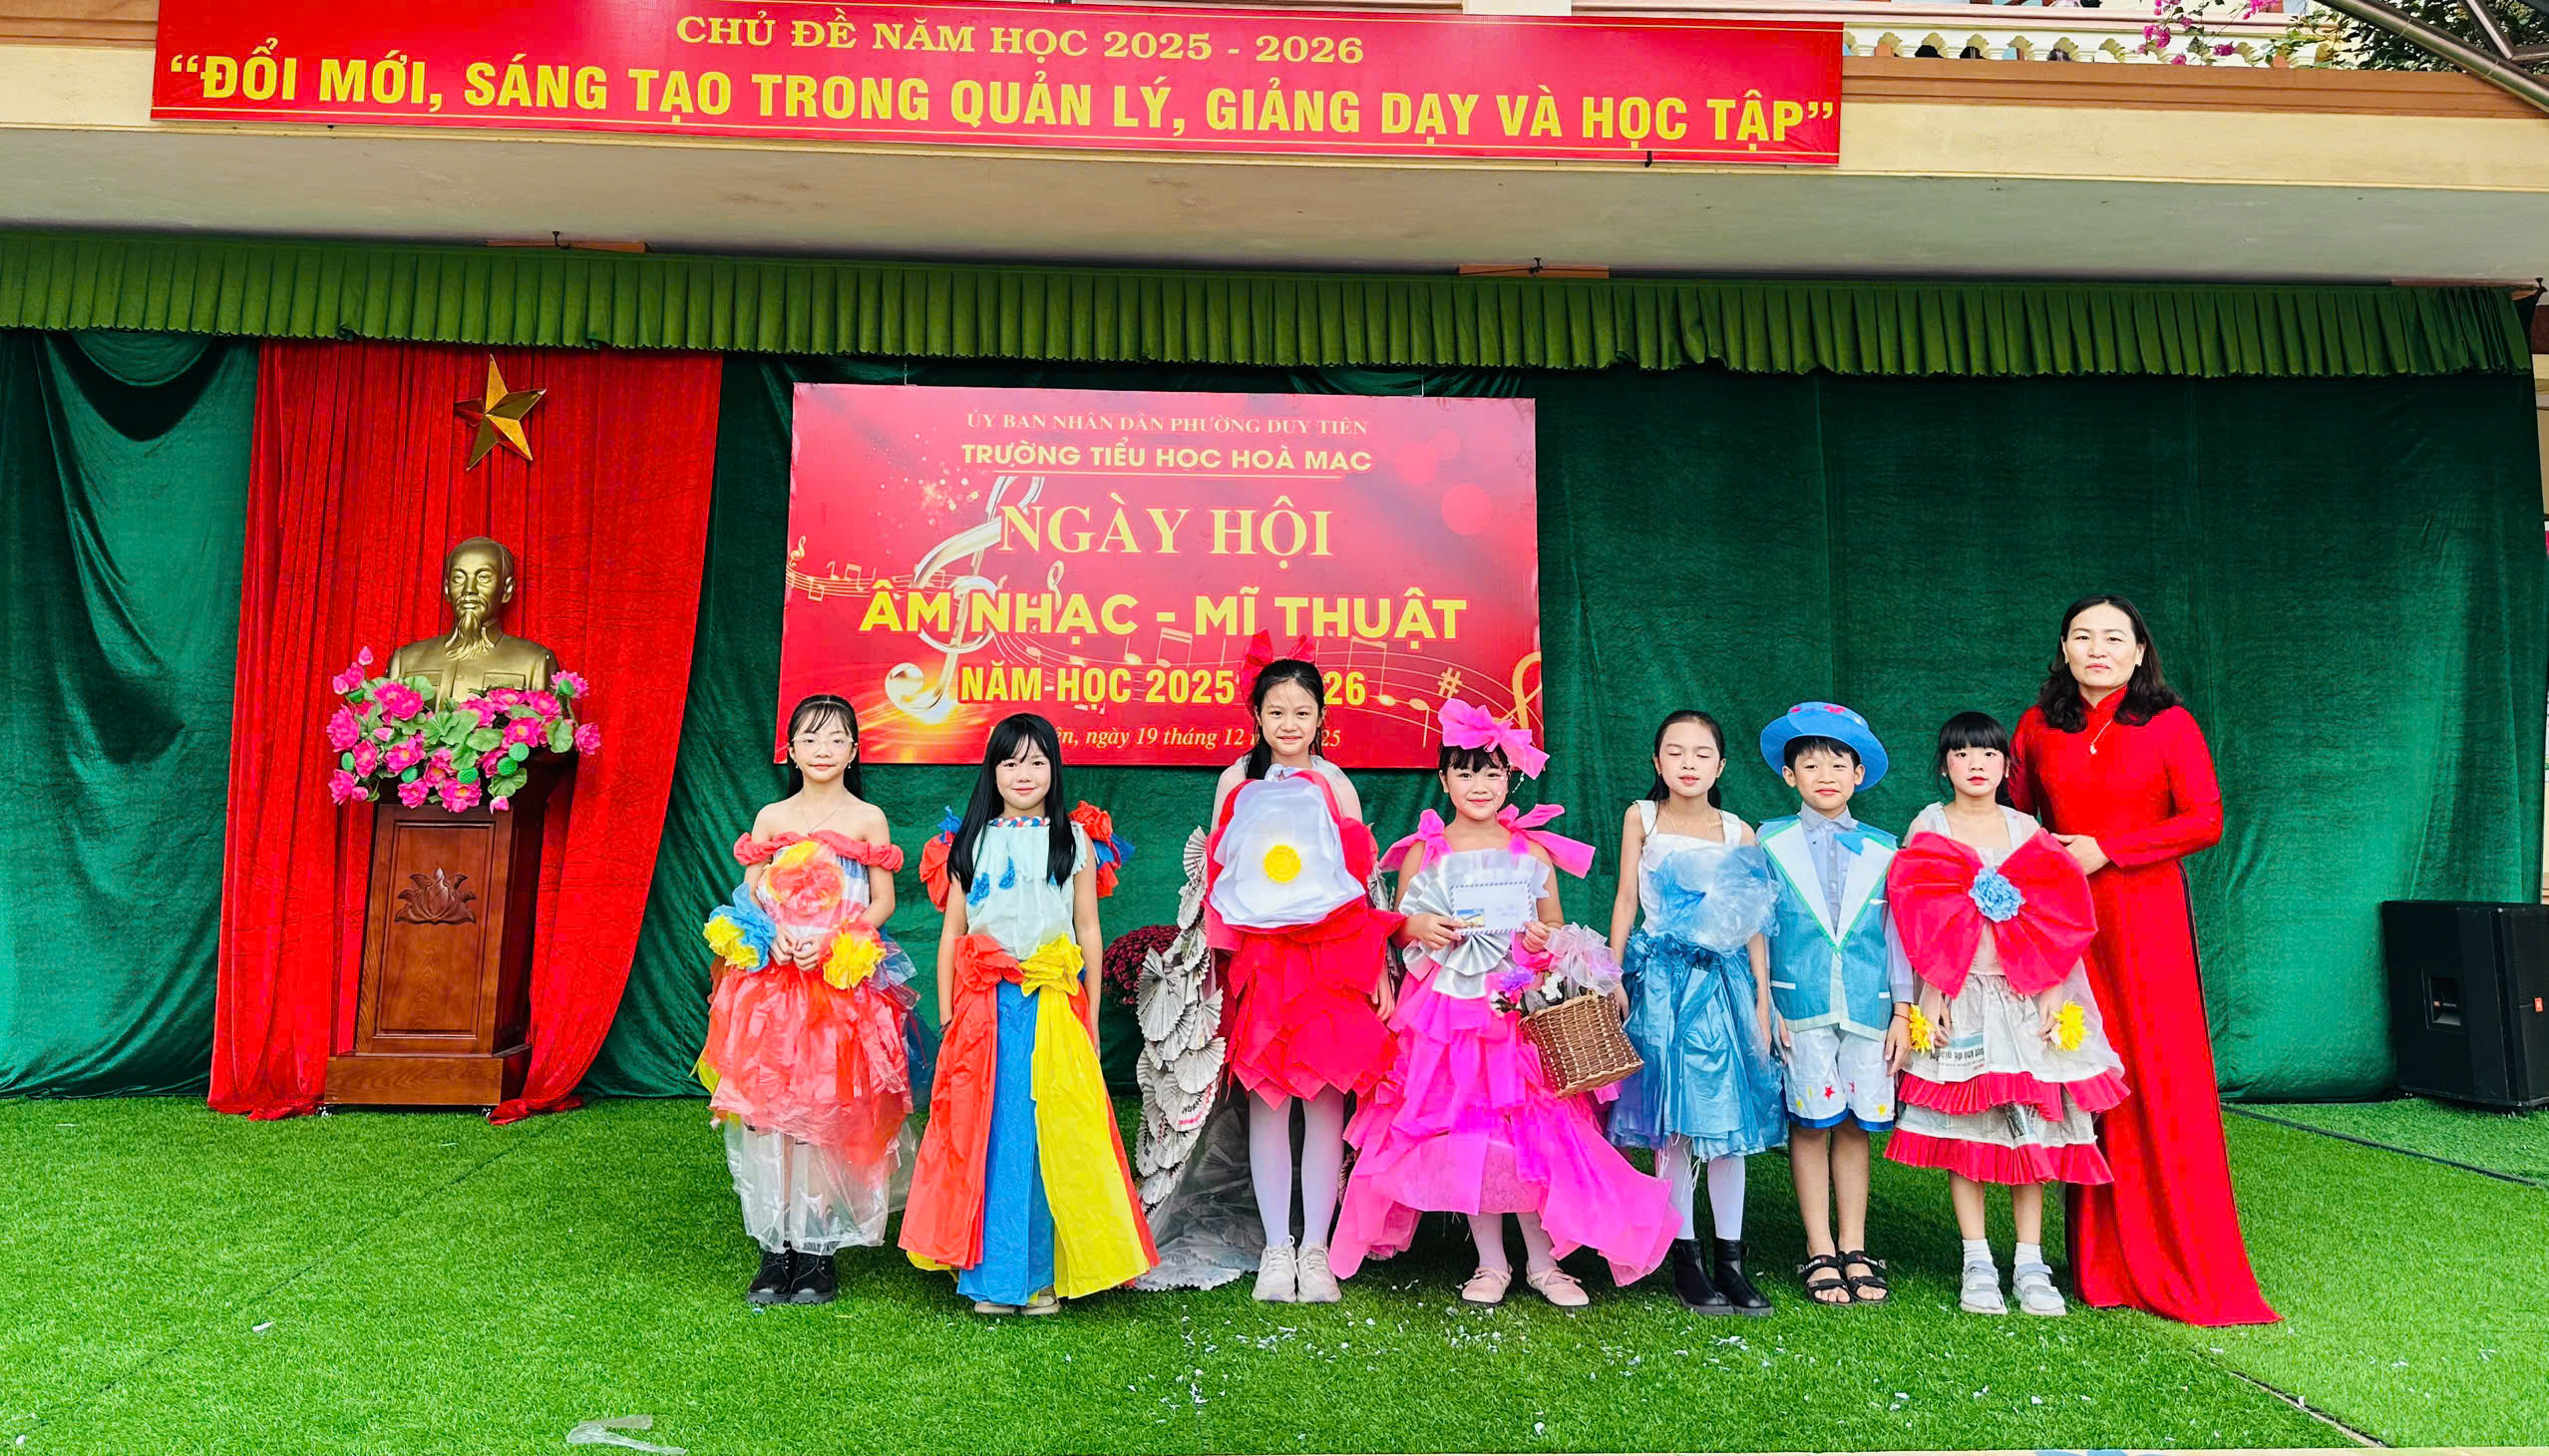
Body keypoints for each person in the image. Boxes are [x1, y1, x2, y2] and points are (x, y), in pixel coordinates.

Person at [1329, 702, 1677, 1307]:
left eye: (1491, 773)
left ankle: (1544, 1262)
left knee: (1533, 1131)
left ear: (1509, 780)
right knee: (1469, 1131)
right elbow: (1400, 929)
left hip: (1515, 1011)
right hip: (1446, 1016)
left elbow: (1554, 926)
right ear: (1444, 780)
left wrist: (1544, 939)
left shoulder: (1530, 852)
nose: (1479, 785)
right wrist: (1418, 926)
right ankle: (1490, 1261)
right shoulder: (1425, 852)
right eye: (1465, 773)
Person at [2010, 595, 2278, 1326]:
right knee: (2086, 1077)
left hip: (2147, 919)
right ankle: (2100, 1266)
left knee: (2160, 1075)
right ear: (2064, 648)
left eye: (2114, 637)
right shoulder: (2037, 727)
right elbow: (2015, 819)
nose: (2098, 649)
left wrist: (2110, 849)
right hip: (2066, 922)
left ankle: (2181, 1257)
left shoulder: (2169, 723)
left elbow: (2205, 819)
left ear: (2138, 653)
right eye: (2083, 636)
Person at [1205, 635, 1445, 1303]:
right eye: (1276, 712)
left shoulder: (1336, 783)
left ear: (1320, 718)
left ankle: (1315, 1248)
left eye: (1302, 713)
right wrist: (1216, 970)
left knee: (1324, 1101)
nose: (1289, 724)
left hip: (1331, 966)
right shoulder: (1235, 781)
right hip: (1262, 964)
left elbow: (1360, 883)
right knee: (1268, 1104)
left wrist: (1378, 970)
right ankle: (1275, 1250)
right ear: (1257, 716)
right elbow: (1219, 880)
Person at [902, 713, 1155, 1313]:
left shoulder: (1076, 841)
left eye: (1037, 761)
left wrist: (1091, 1014)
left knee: (1050, 1133)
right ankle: (990, 1279)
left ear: (1053, 769)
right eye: (1011, 761)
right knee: (985, 1133)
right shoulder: (968, 842)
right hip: (983, 1008)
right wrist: (949, 1011)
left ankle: (1040, 1274)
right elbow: (952, 934)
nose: (1024, 773)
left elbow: (1088, 931)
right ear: (992, 770)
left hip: (1052, 1006)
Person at [1886, 711, 2128, 1317]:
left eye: (1989, 754)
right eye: (1962, 753)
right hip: (1959, 998)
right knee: (1966, 1126)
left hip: (2023, 999)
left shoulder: (2026, 828)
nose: (1976, 764)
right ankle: (1976, 1261)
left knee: (2030, 1123)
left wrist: (2052, 992)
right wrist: (1932, 993)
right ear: (1944, 766)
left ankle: (2030, 1262)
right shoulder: (1929, 825)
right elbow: (1919, 915)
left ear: (2005, 767)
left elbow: (2055, 913)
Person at [697, 694, 919, 1305]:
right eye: (810, 738)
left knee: (827, 1111)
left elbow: (883, 901)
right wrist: (770, 931)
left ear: (854, 751)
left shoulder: (868, 819)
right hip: (772, 988)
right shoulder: (772, 817)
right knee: (769, 1112)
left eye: (836, 738)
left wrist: (833, 940)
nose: (823, 749)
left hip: (839, 985)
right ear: (791, 751)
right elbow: (749, 894)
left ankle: (817, 1252)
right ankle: (776, 1250)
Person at [1607, 710, 1785, 1315]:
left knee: (1728, 1125)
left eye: (1702, 753)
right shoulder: (1642, 816)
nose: (1689, 764)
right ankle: (1686, 1260)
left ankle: (1732, 1261)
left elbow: (1753, 919)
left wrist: (1762, 996)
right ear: (1657, 763)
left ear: (1720, 765)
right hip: (1662, 984)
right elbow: (1626, 900)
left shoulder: (1739, 832)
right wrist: (1611, 975)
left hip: (1725, 985)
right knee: (1675, 1124)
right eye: (1676, 752)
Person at [1756, 702, 1913, 1307]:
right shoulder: (1767, 841)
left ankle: (1854, 1244)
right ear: (1789, 775)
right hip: (1798, 1004)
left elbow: (1897, 938)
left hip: (1869, 1006)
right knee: (1809, 1122)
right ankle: (1818, 1247)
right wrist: (1764, 1003)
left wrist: (1902, 1011)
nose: (1826, 774)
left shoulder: (1885, 848)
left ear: (1858, 774)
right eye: (1811, 764)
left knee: (1854, 1125)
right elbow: (1756, 930)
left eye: (1838, 764)